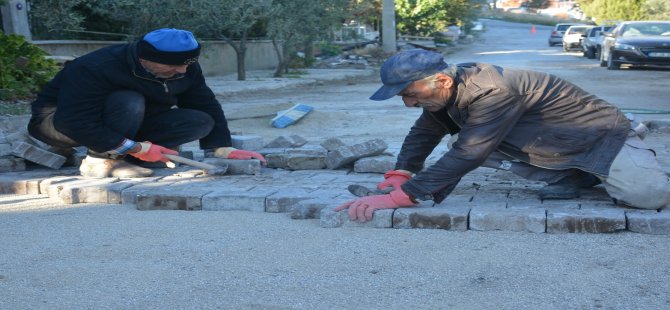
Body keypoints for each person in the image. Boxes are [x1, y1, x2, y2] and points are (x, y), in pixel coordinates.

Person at [336, 49, 670, 222]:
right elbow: (425, 131)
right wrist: (401, 174)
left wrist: (401, 197)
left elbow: (471, 154)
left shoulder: (494, 90)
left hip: (600, 137)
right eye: (404, 98)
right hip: (549, 142)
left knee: (651, 197)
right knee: (459, 142)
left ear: (442, 81)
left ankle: (615, 161)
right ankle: (580, 176)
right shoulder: (443, 89)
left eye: (410, 94)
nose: (409, 103)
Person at [28, 28, 266, 178]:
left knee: (200, 121)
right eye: (174, 65)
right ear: (146, 59)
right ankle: (100, 161)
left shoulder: (184, 68)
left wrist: (223, 147)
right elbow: (73, 121)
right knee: (129, 100)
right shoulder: (96, 68)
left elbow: (205, 102)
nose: (182, 70)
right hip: (60, 124)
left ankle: (129, 156)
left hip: (126, 122)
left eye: (187, 64)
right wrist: (136, 147)